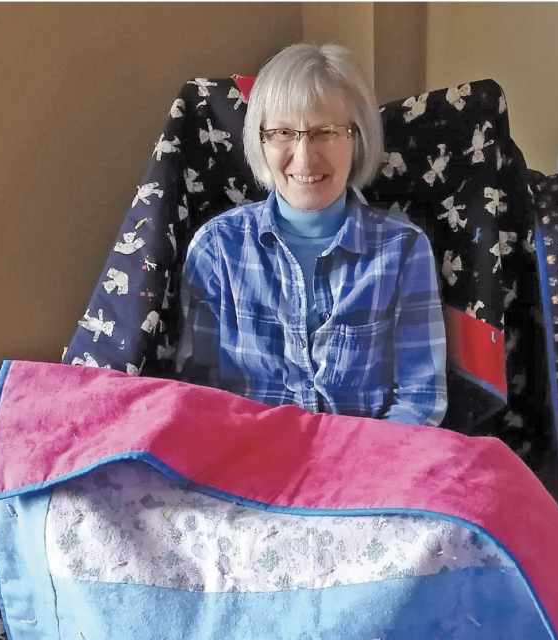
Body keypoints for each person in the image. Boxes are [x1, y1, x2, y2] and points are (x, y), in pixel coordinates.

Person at [178, 43, 448, 425]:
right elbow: (195, 393)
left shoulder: (404, 250)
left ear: (358, 139)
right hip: (246, 455)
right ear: (260, 140)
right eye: (283, 132)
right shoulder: (216, 248)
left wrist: (353, 461)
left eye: (327, 132)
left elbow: (419, 401)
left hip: (366, 457)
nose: (304, 158)